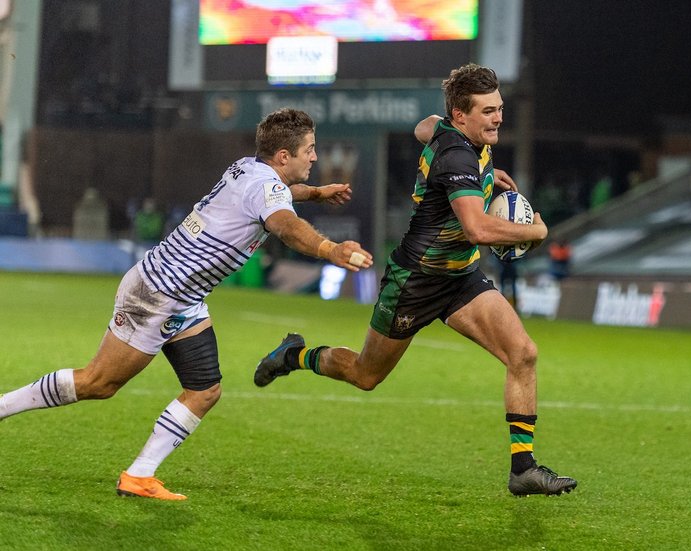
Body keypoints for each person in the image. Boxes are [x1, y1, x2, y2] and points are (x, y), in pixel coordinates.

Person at [0, 108, 373, 501]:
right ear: (284, 156)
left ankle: (139, 476)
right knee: (99, 382)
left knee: (205, 389)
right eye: (309, 150)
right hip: (157, 293)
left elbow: (279, 195)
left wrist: (316, 192)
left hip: (184, 297)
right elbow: (283, 224)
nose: (314, 157)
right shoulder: (267, 190)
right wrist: (330, 248)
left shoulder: (248, 167)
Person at [253, 64, 577, 497]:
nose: (498, 118)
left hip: (460, 278)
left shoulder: (452, 132)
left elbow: (423, 126)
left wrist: (486, 176)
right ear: (461, 117)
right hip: (416, 280)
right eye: (487, 112)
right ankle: (295, 354)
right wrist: (536, 232)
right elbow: (479, 229)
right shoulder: (457, 156)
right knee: (366, 375)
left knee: (523, 353)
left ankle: (524, 468)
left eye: (499, 109)